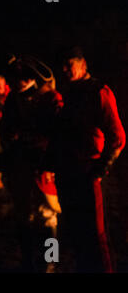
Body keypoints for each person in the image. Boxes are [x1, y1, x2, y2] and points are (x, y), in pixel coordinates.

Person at [44, 47, 126, 272]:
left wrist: (101, 168)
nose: (65, 70)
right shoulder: (69, 92)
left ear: (83, 64)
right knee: (76, 231)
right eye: (63, 65)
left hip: (89, 172)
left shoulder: (98, 91)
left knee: (96, 233)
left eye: (69, 64)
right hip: (67, 171)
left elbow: (117, 137)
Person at [0, 56, 63, 272]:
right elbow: (5, 128)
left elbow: (58, 132)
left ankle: (50, 260)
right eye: (15, 78)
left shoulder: (49, 98)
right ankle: (27, 259)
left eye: (24, 77)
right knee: (23, 213)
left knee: (48, 214)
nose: (19, 81)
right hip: (20, 164)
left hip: (44, 165)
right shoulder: (12, 100)